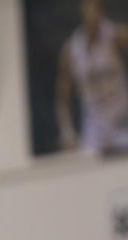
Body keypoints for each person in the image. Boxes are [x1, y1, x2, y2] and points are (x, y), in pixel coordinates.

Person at [57, 0, 128, 154]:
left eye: (96, 8)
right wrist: (67, 132)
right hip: (94, 130)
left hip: (121, 121)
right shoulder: (72, 49)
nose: (92, 14)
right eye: (88, 8)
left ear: (102, 12)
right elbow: (63, 98)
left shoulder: (115, 36)